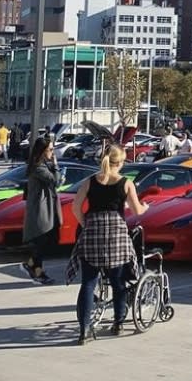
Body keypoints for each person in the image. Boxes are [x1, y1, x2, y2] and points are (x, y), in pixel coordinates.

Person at [68, 145, 148, 345]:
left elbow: (75, 206)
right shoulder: (126, 183)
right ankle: (118, 322)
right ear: (120, 163)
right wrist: (146, 207)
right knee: (117, 280)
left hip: (93, 231)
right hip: (116, 234)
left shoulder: (90, 181)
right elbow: (137, 210)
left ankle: (84, 329)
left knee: (88, 282)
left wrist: (85, 222)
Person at [21, 137, 60, 285]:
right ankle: (37, 271)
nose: (52, 153)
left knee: (43, 241)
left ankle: (33, 265)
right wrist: (56, 166)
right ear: (42, 152)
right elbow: (55, 180)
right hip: (40, 209)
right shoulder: (39, 168)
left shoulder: (41, 166)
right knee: (41, 240)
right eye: (50, 150)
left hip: (44, 206)